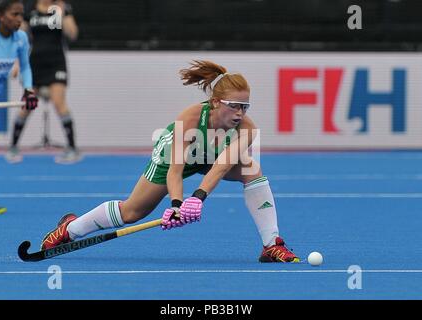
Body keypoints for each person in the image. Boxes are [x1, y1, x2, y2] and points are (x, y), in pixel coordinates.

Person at [40, 60, 300, 263]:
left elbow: (221, 166)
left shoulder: (247, 128)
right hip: (175, 157)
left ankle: (271, 245)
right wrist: (176, 204)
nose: (240, 113)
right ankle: (69, 230)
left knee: (252, 171)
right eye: (234, 106)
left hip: (212, 157)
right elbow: (175, 171)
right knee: (132, 212)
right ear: (216, 102)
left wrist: (197, 198)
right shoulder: (189, 119)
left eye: (245, 107)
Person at [6, 0, 81, 164]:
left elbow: (73, 33)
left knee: (59, 103)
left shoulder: (62, 8)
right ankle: (12, 147)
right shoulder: (30, 9)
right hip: (35, 63)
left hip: (56, 63)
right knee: (27, 105)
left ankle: (73, 149)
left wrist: (61, 15)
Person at [0, 0, 38, 214]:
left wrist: (28, 89)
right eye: (15, 14)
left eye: (22, 14)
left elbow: (26, 67)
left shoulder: (21, 39)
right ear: (1, 15)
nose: (20, 19)